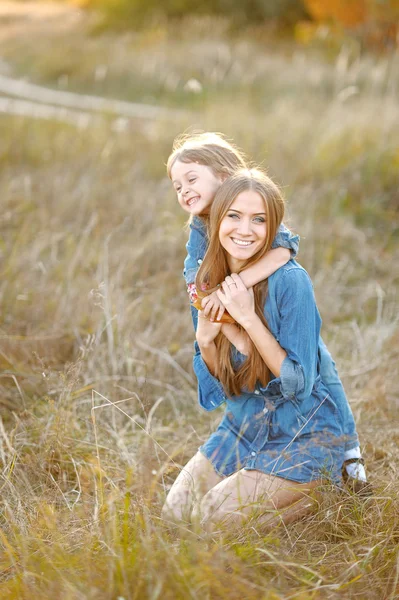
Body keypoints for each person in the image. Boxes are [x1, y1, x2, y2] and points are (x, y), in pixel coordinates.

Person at [167, 132, 367, 490]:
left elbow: (284, 251)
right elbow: (195, 284)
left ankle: (347, 450)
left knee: (321, 365)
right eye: (177, 185)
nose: (183, 191)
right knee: (181, 512)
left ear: (225, 176)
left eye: (192, 179)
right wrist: (213, 334)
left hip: (301, 411)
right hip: (249, 416)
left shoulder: (257, 211)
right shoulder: (200, 231)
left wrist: (240, 288)